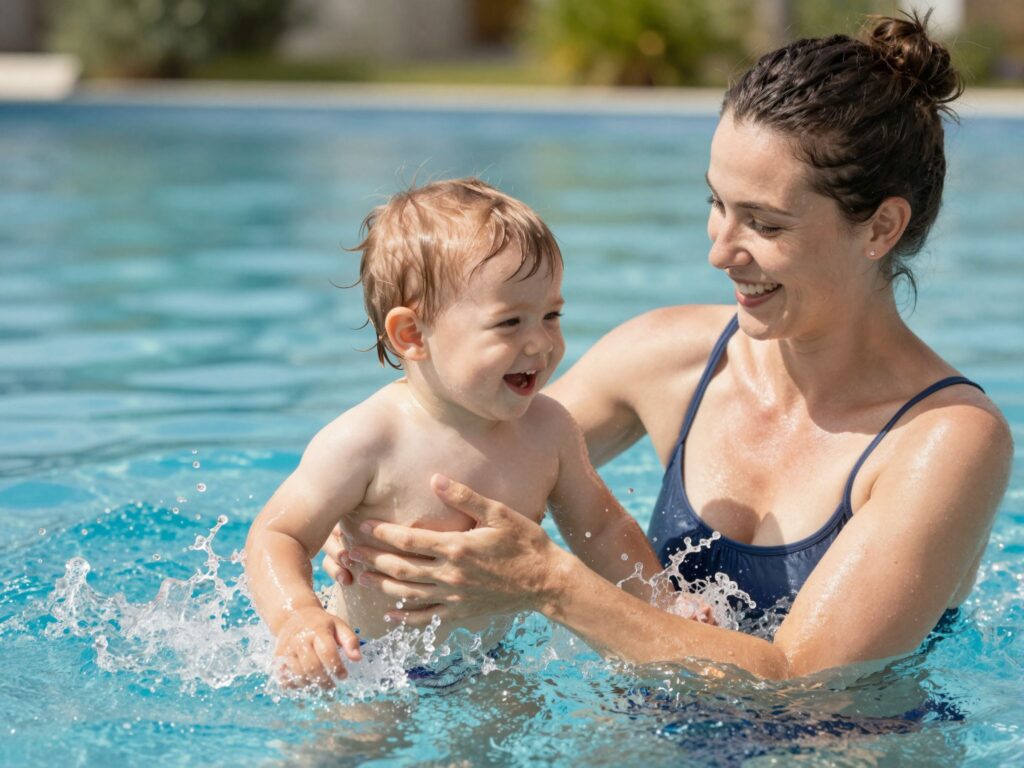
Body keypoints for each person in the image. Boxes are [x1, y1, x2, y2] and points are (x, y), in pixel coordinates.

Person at [324, 14, 1013, 681]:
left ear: (881, 227)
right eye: (717, 203)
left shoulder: (944, 441)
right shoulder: (666, 359)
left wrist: (549, 584)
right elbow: (469, 459)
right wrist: (375, 515)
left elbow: (803, 683)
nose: (719, 250)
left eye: (764, 223)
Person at [245, 178, 661, 687]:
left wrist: (661, 601)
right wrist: (296, 615)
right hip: (371, 661)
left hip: (492, 660)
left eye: (551, 315)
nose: (541, 343)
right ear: (412, 334)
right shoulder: (368, 439)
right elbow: (276, 534)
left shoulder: (550, 429)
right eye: (509, 322)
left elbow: (602, 529)